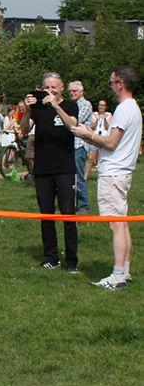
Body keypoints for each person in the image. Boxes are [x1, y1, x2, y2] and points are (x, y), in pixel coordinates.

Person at [72, 66, 141, 289]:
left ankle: (118, 275)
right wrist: (93, 137)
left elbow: (111, 143)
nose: (110, 86)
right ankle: (124, 271)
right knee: (122, 221)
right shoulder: (133, 108)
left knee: (115, 224)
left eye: (112, 82)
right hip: (121, 171)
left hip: (114, 172)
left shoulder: (124, 108)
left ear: (121, 83)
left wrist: (88, 135)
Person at [21, 73, 79, 272]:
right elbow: (23, 129)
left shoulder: (70, 106)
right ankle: (51, 258)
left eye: (54, 87)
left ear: (61, 88)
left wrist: (55, 105)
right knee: (46, 215)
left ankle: (72, 261)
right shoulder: (38, 109)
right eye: (46, 87)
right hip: (43, 169)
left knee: (68, 215)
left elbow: (72, 126)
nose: (50, 90)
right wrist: (28, 111)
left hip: (65, 168)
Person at [67, 81, 93, 215]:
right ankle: (72, 203)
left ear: (81, 91)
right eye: (70, 91)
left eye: (74, 91)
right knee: (70, 177)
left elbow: (76, 121)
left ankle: (84, 205)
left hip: (79, 144)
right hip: (70, 145)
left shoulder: (85, 104)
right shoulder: (71, 105)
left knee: (78, 175)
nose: (72, 93)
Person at [84, 100, 112, 180]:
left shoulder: (109, 115)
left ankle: (102, 176)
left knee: (103, 158)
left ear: (105, 107)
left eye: (103, 105)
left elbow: (108, 128)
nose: (101, 107)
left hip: (104, 138)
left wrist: (105, 120)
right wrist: (96, 120)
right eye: (100, 105)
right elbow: (91, 127)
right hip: (94, 138)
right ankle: (85, 177)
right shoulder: (94, 114)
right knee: (91, 158)